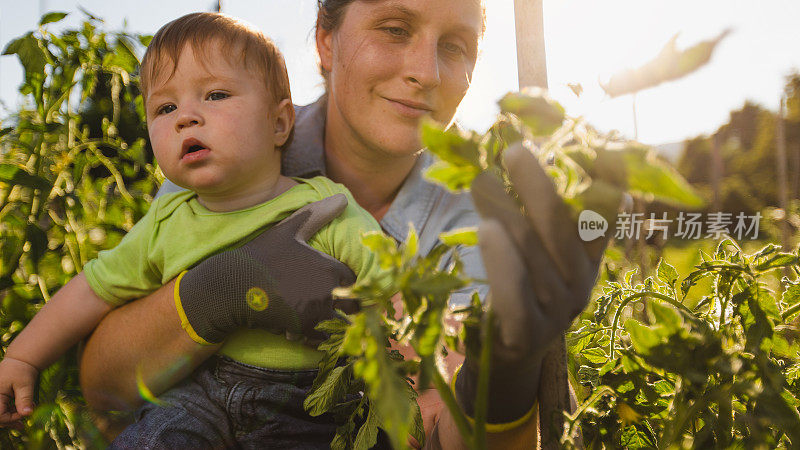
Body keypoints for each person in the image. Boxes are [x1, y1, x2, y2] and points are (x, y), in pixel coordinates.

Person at [76, 1, 607, 448]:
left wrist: (506, 372)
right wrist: (226, 288)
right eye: (395, 29)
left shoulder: (476, 228)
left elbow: (450, 432)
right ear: (326, 42)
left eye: (455, 46)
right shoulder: (230, 148)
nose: (427, 71)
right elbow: (106, 391)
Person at [0, 12, 396, 447]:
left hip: (306, 399)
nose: (185, 117)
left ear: (279, 123)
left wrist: (420, 384)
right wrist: (22, 358)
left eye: (215, 94)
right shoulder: (168, 221)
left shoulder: (323, 206)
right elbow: (92, 290)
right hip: (193, 391)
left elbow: (394, 290)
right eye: (165, 107)